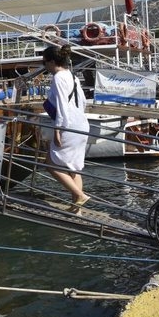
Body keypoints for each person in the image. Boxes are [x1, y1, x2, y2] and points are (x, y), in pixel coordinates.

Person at [42, 44, 90, 214]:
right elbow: (83, 102)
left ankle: (79, 195)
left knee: (50, 164)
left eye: (44, 61)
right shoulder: (73, 76)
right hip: (82, 123)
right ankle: (76, 208)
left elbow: (62, 105)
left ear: (53, 62)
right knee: (73, 168)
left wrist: (57, 130)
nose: (44, 65)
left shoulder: (58, 78)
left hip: (68, 126)